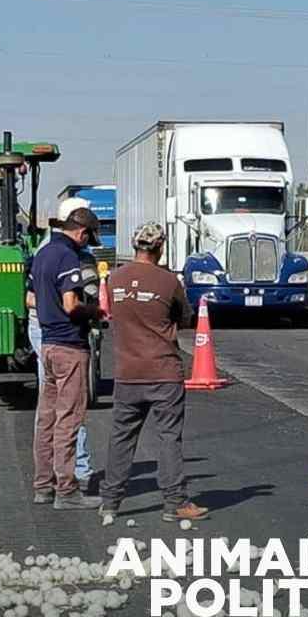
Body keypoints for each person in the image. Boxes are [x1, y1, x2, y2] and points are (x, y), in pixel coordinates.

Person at [101, 223, 206, 523]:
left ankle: (110, 502)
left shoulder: (114, 280)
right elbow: (184, 317)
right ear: (160, 248)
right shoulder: (168, 281)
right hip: (163, 371)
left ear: (135, 247)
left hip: (127, 372)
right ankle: (175, 503)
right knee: (168, 438)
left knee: (122, 438)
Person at [29, 202, 104, 510]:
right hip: (70, 347)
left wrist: (49, 312)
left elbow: (29, 297)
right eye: (89, 238)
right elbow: (72, 304)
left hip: (46, 345)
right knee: (69, 420)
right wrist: (95, 312)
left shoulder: (42, 254)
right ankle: (67, 490)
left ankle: (42, 486)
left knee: (46, 419)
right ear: (83, 233)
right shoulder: (68, 257)